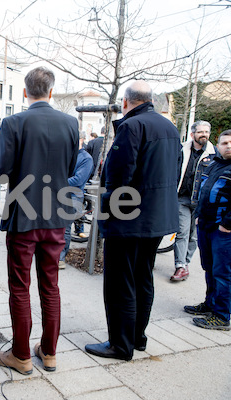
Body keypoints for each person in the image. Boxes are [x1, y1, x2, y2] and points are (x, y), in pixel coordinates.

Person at [0, 67, 78, 374]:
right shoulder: (71, 122)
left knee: (20, 286)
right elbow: (68, 167)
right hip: (55, 215)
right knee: (50, 285)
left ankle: (22, 355)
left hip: (24, 215)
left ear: (25, 92)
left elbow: (1, 172)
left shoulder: (14, 122)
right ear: (51, 92)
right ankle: (50, 352)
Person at [85, 81, 180, 361]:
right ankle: (138, 337)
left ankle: (120, 345)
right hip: (155, 219)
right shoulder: (170, 129)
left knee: (120, 281)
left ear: (126, 102)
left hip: (129, 220)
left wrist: (108, 214)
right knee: (143, 277)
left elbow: (119, 176)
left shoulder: (131, 127)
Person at [184, 130, 231, 331]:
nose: (228, 146)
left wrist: (226, 225)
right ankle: (210, 304)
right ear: (217, 145)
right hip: (205, 225)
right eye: (224, 143)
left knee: (223, 272)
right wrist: (198, 217)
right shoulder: (212, 165)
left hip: (223, 231)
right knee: (209, 268)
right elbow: (202, 191)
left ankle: (222, 315)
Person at [171, 121, 217, 282]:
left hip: (200, 202)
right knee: (182, 232)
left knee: (194, 236)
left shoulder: (213, 154)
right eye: (200, 132)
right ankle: (180, 265)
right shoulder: (181, 150)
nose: (204, 134)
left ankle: (186, 263)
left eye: (206, 131)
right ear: (192, 134)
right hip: (182, 198)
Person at [59, 140, 93, 268]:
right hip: (60, 193)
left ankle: (60, 258)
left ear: (81, 140)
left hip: (73, 196)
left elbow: (78, 180)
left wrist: (58, 181)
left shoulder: (86, 158)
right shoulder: (66, 154)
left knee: (65, 228)